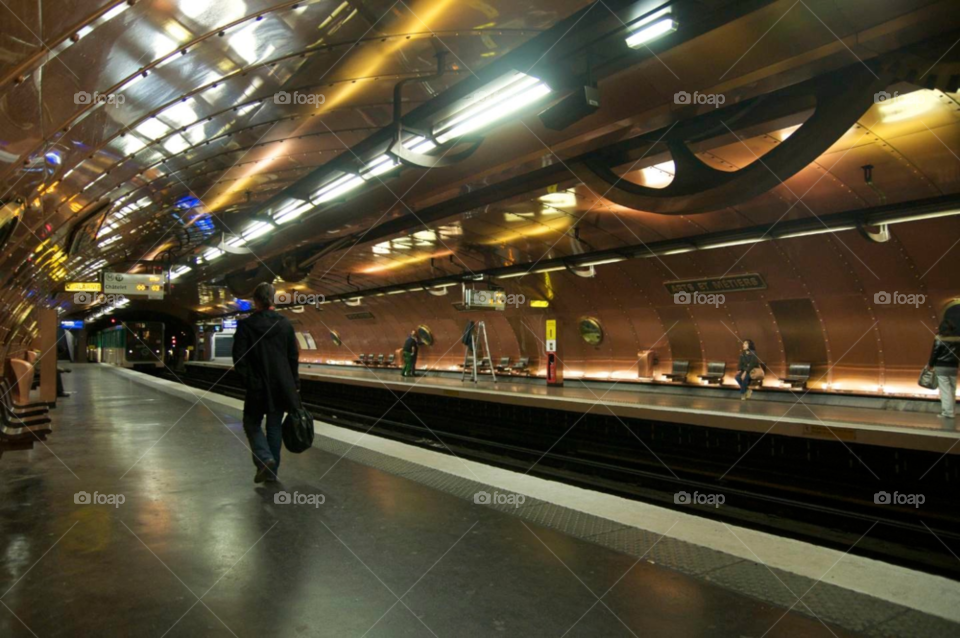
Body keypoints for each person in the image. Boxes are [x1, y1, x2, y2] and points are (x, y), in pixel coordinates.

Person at [233, 282, 300, 483]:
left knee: (251, 423)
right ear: (273, 299)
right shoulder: (285, 324)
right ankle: (271, 472)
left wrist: (248, 380)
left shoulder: (246, 325)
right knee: (274, 426)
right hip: (281, 385)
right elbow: (292, 356)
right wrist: (294, 383)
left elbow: (239, 358)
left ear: (256, 301)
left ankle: (264, 458)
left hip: (257, 385)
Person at [928, 320, 959, 419]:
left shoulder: (939, 339)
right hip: (954, 367)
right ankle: (952, 411)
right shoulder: (958, 340)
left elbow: (935, 353)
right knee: (952, 389)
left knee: (945, 390)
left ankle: (948, 412)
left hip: (941, 366)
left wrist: (930, 364)